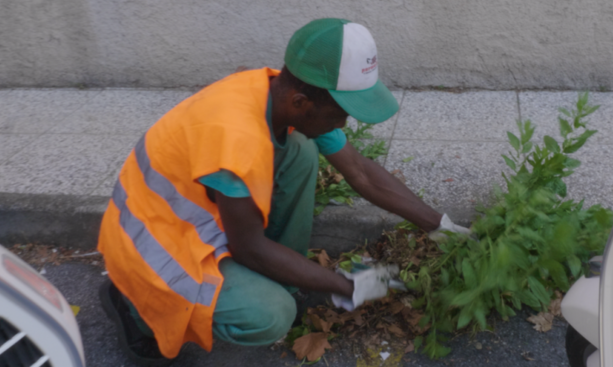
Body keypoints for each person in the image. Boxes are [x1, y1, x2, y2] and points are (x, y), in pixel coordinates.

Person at [97, 18, 471, 366]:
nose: (345, 123)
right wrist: (349, 285)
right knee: (272, 315)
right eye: (341, 113)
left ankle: (287, 278)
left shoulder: (276, 92)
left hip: (197, 214)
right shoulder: (236, 140)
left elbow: (361, 172)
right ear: (301, 103)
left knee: (302, 153)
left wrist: (440, 225)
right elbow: (249, 247)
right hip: (154, 248)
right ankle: (135, 309)